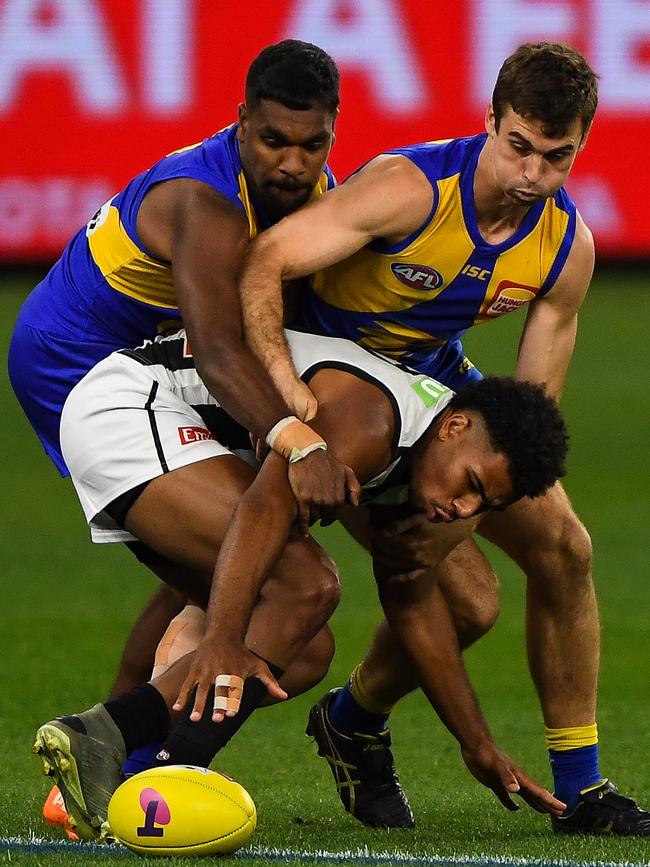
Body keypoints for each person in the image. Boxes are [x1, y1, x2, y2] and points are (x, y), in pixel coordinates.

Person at [236, 42, 650, 835]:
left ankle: (580, 788)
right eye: (518, 146)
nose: (531, 174)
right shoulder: (410, 189)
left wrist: (469, 503)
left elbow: (526, 423)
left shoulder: (566, 251)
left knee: (566, 545)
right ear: (490, 121)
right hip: (340, 385)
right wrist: (288, 409)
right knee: (469, 599)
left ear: (582, 147)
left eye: (556, 157)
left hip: (429, 392)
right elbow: (269, 259)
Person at [9, 38, 357, 833]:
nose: (293, 164)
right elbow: (222, 345)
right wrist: (299, 442)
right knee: (264, 570)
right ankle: (133, 764)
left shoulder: (319, 197)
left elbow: (286, 331)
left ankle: (95, 774)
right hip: (79, 368)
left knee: (255, 604)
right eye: (273, 140)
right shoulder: (202, 200)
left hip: (168, 374)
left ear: (334, 130)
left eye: (312, 144)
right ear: (240, 124)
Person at [33, 325, 569, 841]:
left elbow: (414, 605)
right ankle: (155, 767)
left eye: (485, 504)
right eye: (471, 484)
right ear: (455, 426)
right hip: (130, 407)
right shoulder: (374, 419)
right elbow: (262, 507)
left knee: (303, 652)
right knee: (307, 583)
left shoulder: (417, 464)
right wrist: (221, 636)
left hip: (175, 439)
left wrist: (476, 744)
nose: (463, 508)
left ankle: (112, 748)